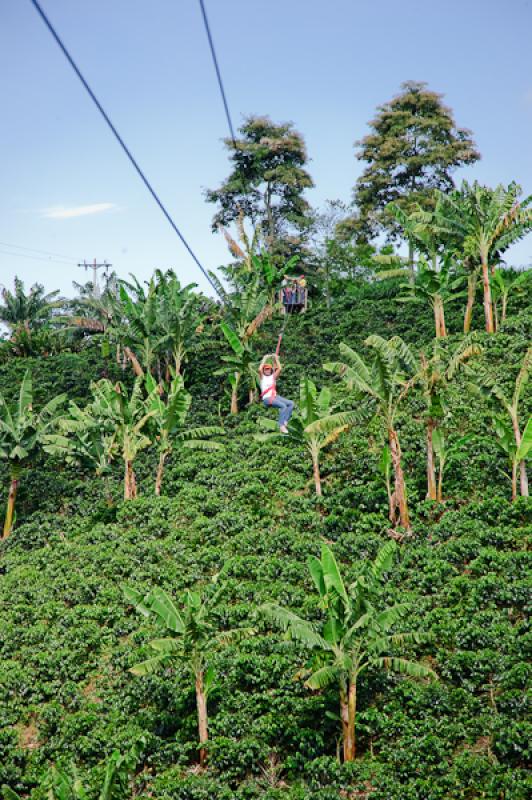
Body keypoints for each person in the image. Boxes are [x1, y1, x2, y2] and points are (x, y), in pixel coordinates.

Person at [258, 354, 294, 434]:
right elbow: (259, 369)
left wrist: (276, 359)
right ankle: (281, 425)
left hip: (274, 396)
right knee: (283, 406)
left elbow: (280, 368)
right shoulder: (262, 378)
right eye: (266, 369)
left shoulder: (273, 377)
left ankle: (285, 421)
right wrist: (264, 358)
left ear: (271, 370)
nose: (267, 370)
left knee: (291, 403)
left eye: (269, 369)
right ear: (264, 370)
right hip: (267, 399)